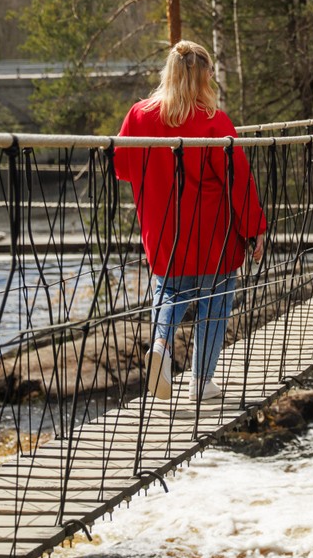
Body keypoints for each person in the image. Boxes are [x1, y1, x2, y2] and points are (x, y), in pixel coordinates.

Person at [113, 41, 266, 402]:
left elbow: (121, 167)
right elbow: (237, 179)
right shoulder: (214, 120)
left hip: (164, 230)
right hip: (214, 233)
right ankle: (201, 382)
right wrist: (254, 228)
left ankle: (161, 346)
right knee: (214, 304)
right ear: (204, 77)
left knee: (169, 292)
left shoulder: (138, 115)